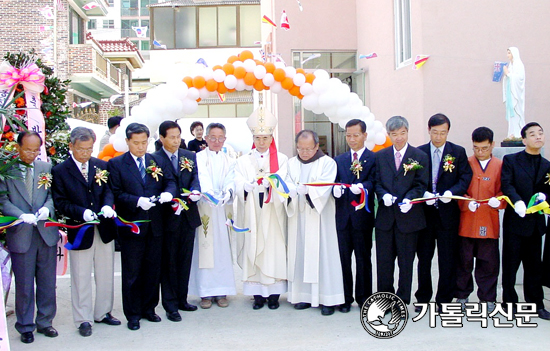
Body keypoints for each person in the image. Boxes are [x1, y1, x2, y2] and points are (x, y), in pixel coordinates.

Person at [51, 127, 120, 337]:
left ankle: (103, 312)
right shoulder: (60, 170)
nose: (85, 153)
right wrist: (82, 212)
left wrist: (108, 205)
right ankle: (83, 318)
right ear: (71, 146)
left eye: (89, 149)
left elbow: (109, 190)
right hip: (80, 229)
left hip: (104, 228)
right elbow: (60, 202)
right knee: (80, 275)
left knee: (105, 272)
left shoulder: (101, 165)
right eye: (81, 149)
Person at [107, 123, 176, 330]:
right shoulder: (117, 164)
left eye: (144, 142)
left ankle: (149, 308)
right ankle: (133, 313)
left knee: (153, 269)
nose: (140, 147)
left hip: (155, 224)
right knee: (132, 272)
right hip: (132, 225)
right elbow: (116, 192)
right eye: (136, 143)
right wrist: (136, 201)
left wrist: (168, 193)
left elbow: (170, 181)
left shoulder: (156, 160)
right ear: (127, 142)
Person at [0, 131, 59, 344]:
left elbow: (53, 195)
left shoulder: (46, 168)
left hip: (45, 232)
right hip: (21, 232)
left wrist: (47, 209)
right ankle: (25, 326)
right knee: (24, 284)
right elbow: (3, 200)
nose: (31, 154)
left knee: (47, 281)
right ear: (18, 147)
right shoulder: (7, 170)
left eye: (36, 150)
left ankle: (45, 321)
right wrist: (19, 214)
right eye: (27, 149)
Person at [415, 113, 472, 311]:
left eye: (443, 133)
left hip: (448, 214)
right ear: (428, 130)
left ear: (448, 132)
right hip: (425, 214)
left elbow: (465, 178)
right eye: (435, 132)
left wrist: (452, 192)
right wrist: (423, 193)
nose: (439, 137)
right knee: (424, 258)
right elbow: (413, 179)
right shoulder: (419, 152)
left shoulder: (457, 152)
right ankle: (422, 298)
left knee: (447, 259)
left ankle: (444, 300)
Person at [234, 107, 288, 310]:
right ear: (253, 138)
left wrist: (272, 184)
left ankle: (274, 295)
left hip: (273, 213)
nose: (262, 142)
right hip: (252, 213)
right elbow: (237, 181)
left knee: (273, 250)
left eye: (265, 137)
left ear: (271, 138)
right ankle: (257, 294)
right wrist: (244, 187)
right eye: (258, 138)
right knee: (253, 248)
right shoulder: (243, 160)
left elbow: (285, 183)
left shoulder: (281, 159)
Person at [285, 130, 344, 316]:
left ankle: (328, 298)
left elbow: (325, 187)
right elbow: (282, 183)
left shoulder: (327, 163)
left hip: (320, 219)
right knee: (300, 253)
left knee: (323, 256)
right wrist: (291, 191)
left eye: (308, 149)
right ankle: (303, 296)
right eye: (300, 149)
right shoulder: (291, 163)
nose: (304, 153)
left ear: (317, 146)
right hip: (298, 218)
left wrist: (309, 191)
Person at [374, 116, 428, 306]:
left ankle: (402, 299)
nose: (399, 138)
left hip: (409, 218)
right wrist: (383, 195)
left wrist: (410, 199)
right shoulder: (380, 156)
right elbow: (377, 182)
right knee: (384, 264)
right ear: (389, 135)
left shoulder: (419, 156)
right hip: (385, 220)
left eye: (402, 133)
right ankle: (384, 300)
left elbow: (422, 184)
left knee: (406, 264)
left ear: (407, 132)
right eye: (394, 134)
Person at [501, 122, 550, 319]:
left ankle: (536, 303)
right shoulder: (511, 160)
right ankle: (509, 303)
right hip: (516, 221)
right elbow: (507, 184)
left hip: (535, 225)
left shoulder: (547, 165)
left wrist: (545, 198)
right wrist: (518, 201)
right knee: (510, 265)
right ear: (524, 140)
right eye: (532, 134)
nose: (538, 137)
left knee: (534, 267)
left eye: (540, 133)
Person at [153, 121, 202, 322]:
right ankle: (170, 304)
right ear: (162, 139)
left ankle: (182, 299)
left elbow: (195, 177)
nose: (176, 141)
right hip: (167, 217)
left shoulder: (189, 156)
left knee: (185, 260)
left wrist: (196, 190)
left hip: (188, 215)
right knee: (169, 262)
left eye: (178, 136)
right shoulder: (154, 159)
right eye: (171, 137)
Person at [455, 127, 505, 312]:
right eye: (476, 148)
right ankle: (462, 295)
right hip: (467, 221)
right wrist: (466, 203)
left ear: (492, 145)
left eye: (484, 148)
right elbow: (459, 188)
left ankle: (488, 298)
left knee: (488, 262)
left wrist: (498, 201)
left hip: (488, 221)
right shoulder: (466, 163)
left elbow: (504, 192)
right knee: (464, 261)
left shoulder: (499, 165)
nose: (480, 152)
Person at [188, 123, 236, 309]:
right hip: (205, 208)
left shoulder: (230, 159)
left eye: (220, 138)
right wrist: (208, 193)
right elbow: (201, 177)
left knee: (222, 251)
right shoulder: (197, 158)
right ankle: (205, 293)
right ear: (206, 138)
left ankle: (222, 291)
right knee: (204, 250)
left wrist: (228, 192)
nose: (217, 141)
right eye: (213, 138)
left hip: (223, 209)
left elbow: (232, 178)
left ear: (225, 139)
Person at [333, 119, 376, 312]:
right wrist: (336, 190)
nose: (352, 139)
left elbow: (375, 181)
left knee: (363, 259)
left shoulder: (373, 159)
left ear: (364, 136)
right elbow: (334, 183)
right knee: (343, 259)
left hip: (362, 218)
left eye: (356, 135)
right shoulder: (339, 160)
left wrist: (364, 187)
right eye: (348, 135)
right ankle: (345, 297)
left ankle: (364, 297)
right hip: (342, 217)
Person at [502, 47, 526, 139]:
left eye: (509, 53)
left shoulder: (518, 64)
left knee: (516, 113)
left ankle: (518, 133)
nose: (508, 55)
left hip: (516, 94)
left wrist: (508, 73)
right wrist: (507, 75)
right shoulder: (511, 65)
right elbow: (508, 77)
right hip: (510, 94)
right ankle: (512, 133)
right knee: (511, 116)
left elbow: (519, 78)